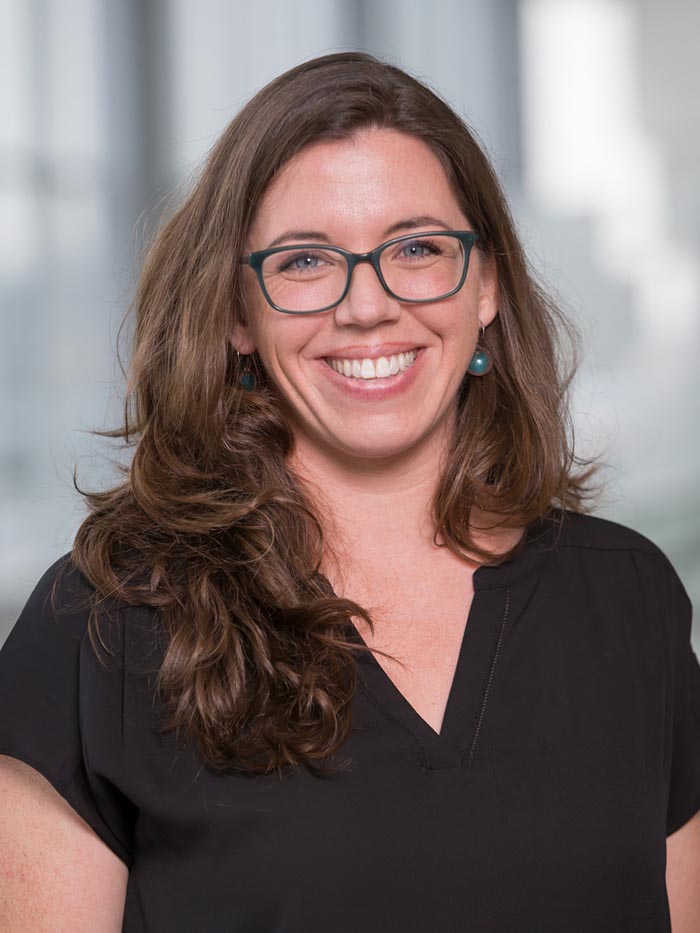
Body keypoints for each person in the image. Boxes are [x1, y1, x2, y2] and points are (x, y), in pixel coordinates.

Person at [1, 51, 699, 933]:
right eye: (304, 261)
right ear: (234, 314)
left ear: (486, 284)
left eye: (416, 248)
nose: (367, 306)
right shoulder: (98, 629)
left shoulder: (628, 600)